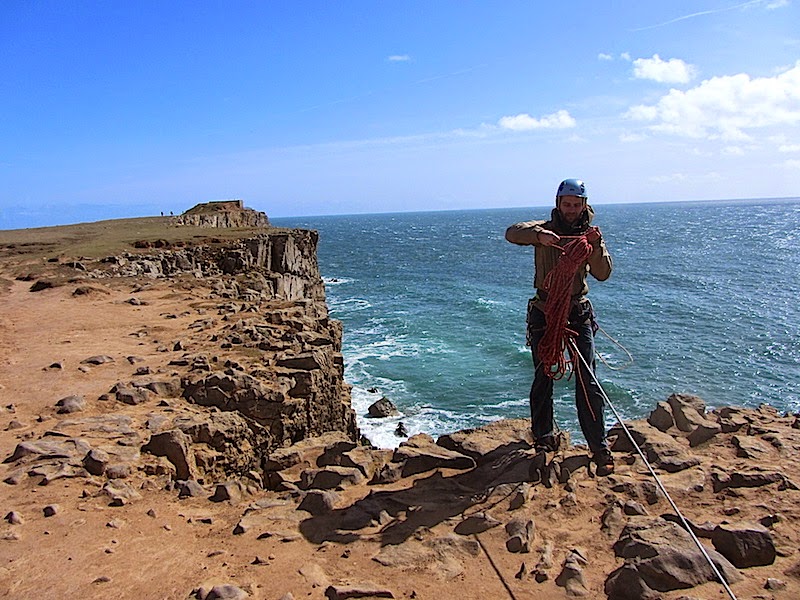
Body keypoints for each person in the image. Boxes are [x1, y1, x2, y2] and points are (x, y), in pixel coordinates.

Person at [505, 178, 615, 476]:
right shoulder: (543, 228)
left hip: (577, 309)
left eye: (576, 205)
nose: (570, 210)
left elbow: (603, 273)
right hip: (545, 310)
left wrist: (595, 246)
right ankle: (542, 438)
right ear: (558, 204)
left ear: (584, 205)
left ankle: (599, 445)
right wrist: (539, 236)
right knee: (544, 376)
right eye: (566, 204)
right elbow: (512, 233)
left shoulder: (590, 237)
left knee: (587, 379)